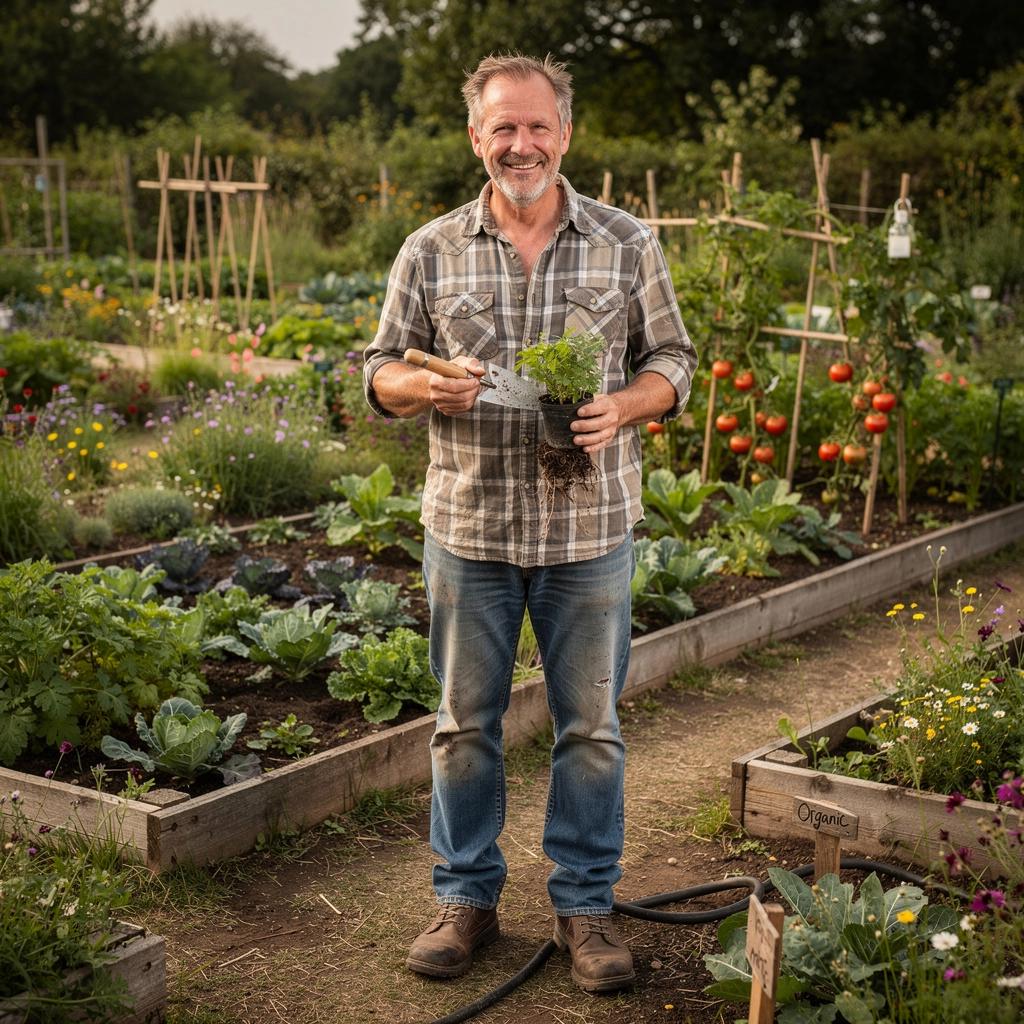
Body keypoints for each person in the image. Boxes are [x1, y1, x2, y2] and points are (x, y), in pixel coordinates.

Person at [362, 52, 697, 994]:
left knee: (589, 725)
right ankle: (465, 897)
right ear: (476, 137)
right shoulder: (431, 248)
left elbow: (674, 355)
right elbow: (378, 368)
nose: (521, 143)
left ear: (565, 133)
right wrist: (421, 384)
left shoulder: (626, 242)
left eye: (537, 125)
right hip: (469, 527)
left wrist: (627, 407)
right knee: (464, 724)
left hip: (588, 531)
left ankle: (586, 905)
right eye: (502, 127)